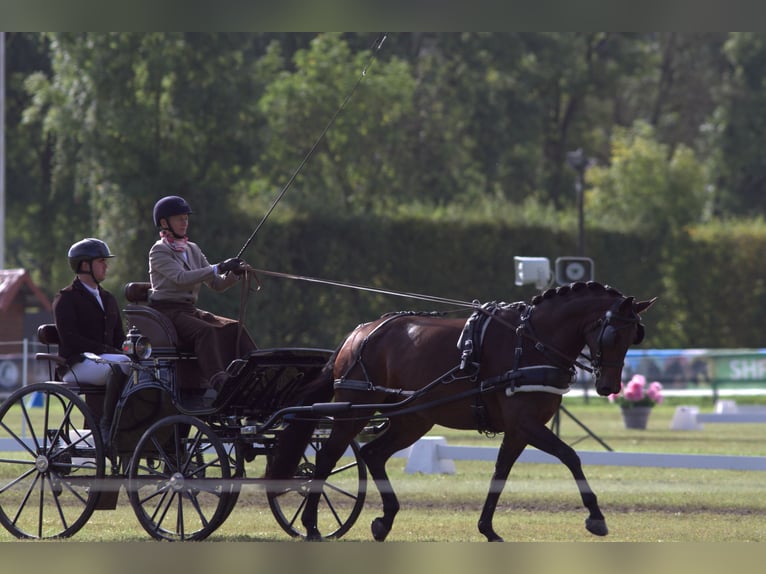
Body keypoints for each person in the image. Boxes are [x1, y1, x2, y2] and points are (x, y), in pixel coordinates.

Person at [147, 195, 257, 395]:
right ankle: (219, 381)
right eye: (179, 218)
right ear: (164, 222)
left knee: (234, 327)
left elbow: (216, 284)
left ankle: (254, 375)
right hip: (168, 312)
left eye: (186, 218)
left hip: (188, 311)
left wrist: (234, 273)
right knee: (204, 331)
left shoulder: (192, 249)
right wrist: (220, 266)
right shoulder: (159, 251)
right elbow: (181, 277)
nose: (184, 222)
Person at [52, 238, 131, 444]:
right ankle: (106, 423)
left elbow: (119, 338)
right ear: (85, 265)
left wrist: (130, 348)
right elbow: (71, 340)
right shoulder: (66, 299)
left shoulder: (108, 299)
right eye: (101, 261)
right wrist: (107, 351)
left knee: (138, 365)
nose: (106, 266)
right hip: (76, 364)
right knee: (123, 364)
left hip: (104, 362)